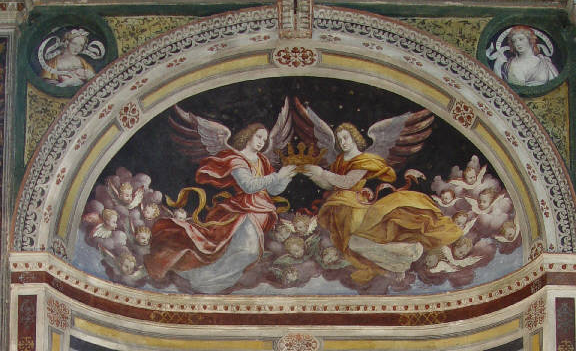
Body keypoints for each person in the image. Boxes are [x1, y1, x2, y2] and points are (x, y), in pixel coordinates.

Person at [302, 123, 462, 284]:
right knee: (354, 245)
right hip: (340, 208)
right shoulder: (339, 160)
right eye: (339, 139)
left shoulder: (364, 160)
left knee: (363, 240)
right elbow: (331, 185)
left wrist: (322, 172)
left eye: (345, 137)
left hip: (354, 205)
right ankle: (399, 262)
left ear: (354, 137)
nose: (343, 142)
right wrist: (314, 176)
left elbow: (348, 181)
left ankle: (407, 252)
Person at [145, 124, 297, 292]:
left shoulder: (263, 160)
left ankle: (208, 280)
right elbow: (248, 186)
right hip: (243, 210)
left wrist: (286, 177)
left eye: (265, 139)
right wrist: (277, 176)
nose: (262, 142)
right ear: (248, 135)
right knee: (245, 251)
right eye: (259, 137)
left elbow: (273, 189)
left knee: (240, 252)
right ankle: (206, 280)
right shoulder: (237, 159)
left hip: (260, 211)